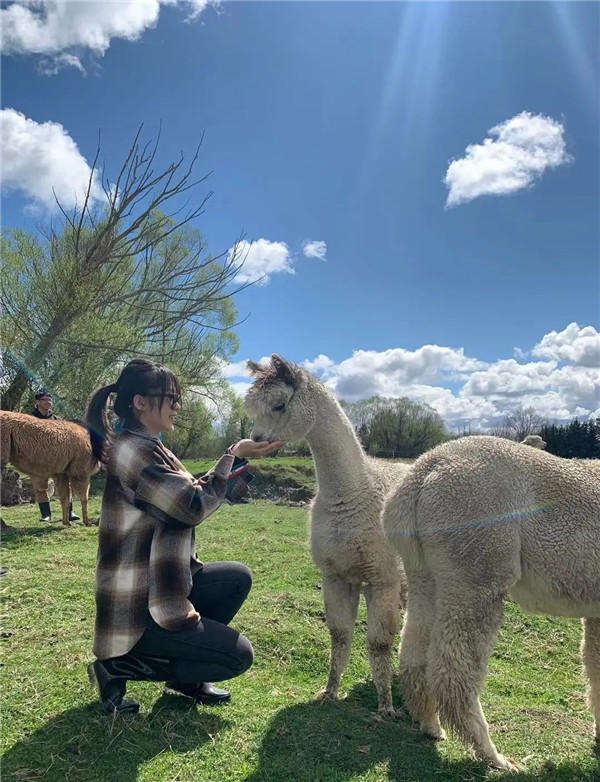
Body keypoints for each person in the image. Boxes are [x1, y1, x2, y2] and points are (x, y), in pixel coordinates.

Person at [85, 358, 283, 714]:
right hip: (139, 605)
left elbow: (190, 490)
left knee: (236, 578)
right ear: (140, 402)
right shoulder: (135, 451)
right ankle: (118, 666)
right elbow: (191, 505)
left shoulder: (151, 446)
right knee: (238, 656)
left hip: (163, 584)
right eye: (171, 398)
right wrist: (232, 455)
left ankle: (184, 677)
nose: (177, 406)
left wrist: (234, 457)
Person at [31, 390, 80, 523]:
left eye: (50, 400)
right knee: (40, 486)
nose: (48, 403)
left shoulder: (57, 419)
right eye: (45, 400)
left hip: (58, 459)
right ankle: (46, 515)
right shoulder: (30, 419)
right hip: (38, 458)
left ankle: (69, 512)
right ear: (38, 402)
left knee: (64, 484)